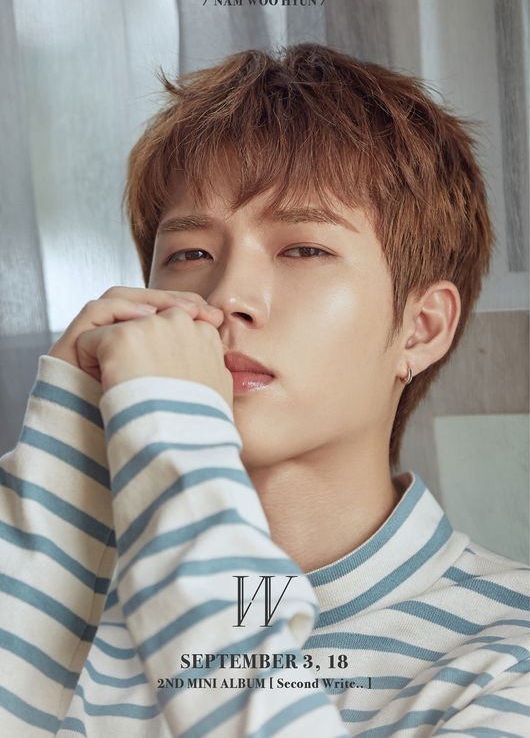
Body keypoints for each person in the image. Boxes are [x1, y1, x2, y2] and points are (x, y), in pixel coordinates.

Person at [0, 43, 528, 737]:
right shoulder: (67, 609)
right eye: (190, 253)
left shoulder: (507, 650)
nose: (226, 296)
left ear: (421, 328)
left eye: (303, 249)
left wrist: (177, 445)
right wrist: (61, 474)